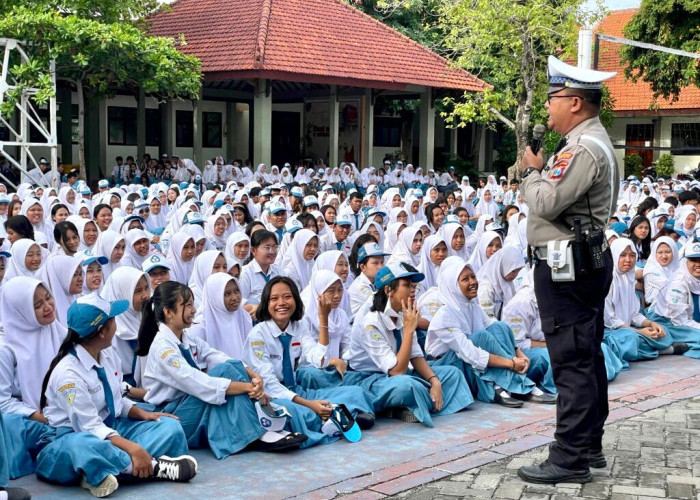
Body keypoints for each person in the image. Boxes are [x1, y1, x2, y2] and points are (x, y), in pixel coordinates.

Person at [517, 56, 618, 484]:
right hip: (583, 260)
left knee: (571, 360)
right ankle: (587, 443)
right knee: (587, 352)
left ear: (575, 102)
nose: (548, 108)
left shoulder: (581, 149)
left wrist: (532, 172)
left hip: (567, 266)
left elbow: (543, 202)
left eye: (553, 98)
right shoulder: (593, 142)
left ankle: (570, 457)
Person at [35, 294, 198, 497]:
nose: (116, 324)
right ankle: (154, 467)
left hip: (111, 429)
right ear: (102, 331)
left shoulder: (107, 353)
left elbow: (116, 400)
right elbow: (90, 428)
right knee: (82, 446)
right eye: (112, 320)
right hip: (71, 439)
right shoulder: (68, 375)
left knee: (169, 427)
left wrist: (142, 414)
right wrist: (133, 448)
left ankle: (105, 470)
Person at [139, 281, 307, 457]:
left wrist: (253, 375)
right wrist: (248, 387)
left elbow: (216, 356)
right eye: (187, 305)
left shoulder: (187, 338)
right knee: (223, 375)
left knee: (231, 366)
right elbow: (196, 382)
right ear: (168, 312)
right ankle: (258, 432)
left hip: (188, 405)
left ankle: (256, 430)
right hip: (172, 414)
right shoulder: (163, 347)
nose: (194, 310)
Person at [242, 277, 375, 448]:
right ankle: (331, 417)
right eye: (274, 299)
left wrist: (323, 319)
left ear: (296, 300)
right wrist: (310, 405)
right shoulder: (258, 335)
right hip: (273, 397)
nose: (281, 303)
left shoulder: (298, 326)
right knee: (295, 412)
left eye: (287, 297)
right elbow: (270, 385)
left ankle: (330, 417)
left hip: (296, 391)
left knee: (356, 392)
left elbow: (319, 360)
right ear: (266, 303)